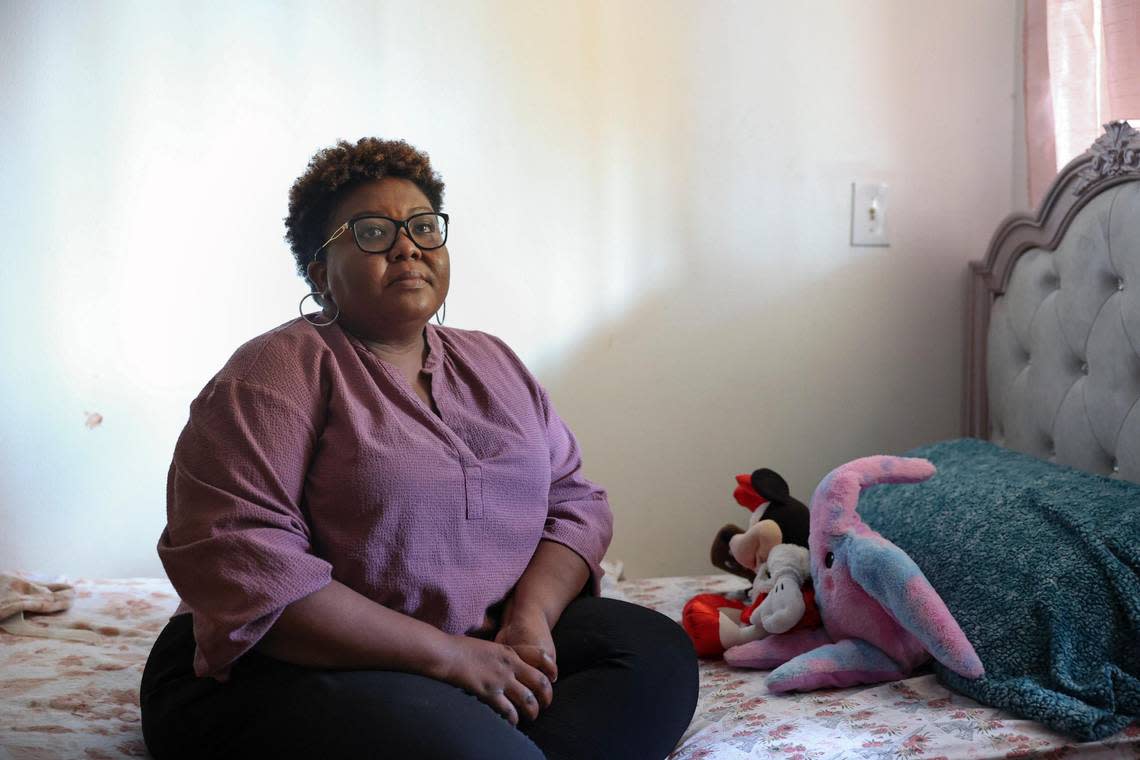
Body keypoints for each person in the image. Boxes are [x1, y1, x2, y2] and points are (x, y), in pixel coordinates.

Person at [139, 138, 699, 759]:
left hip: (476, 639)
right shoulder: (276, 372)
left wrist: (529, 619)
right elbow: (240, 558)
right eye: (373, 232)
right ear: (320, 272)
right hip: (287, 663)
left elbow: (575, 504)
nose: (407, 245)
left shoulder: (494, 362)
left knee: (653, 653)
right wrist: (449, 658)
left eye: (423, 227)